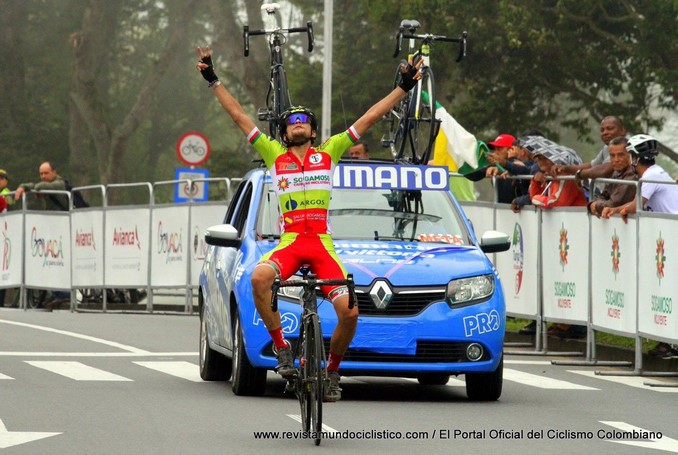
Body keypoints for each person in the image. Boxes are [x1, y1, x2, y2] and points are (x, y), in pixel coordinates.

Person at [196, 45, 422, 402]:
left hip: (320, 245)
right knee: (259, 278)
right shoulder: (274, 154)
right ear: (284, 134)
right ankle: (282, 348)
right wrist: (213, 79)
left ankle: (332, 371)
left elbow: (369, 118)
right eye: (291, 121)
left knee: (349, 311)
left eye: (304, 120)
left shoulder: (329, 152)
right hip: (290, 243)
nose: (297, 122)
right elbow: (238, 116)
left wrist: (403, 88)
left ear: (313, 131)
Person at [600, 134, 678, 358]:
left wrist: (616, 210)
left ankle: (671, 343)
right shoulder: (656, 172)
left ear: (635, 159)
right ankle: (667, 342)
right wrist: (623, 209)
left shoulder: (651, 176)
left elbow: (636, 205)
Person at [14, 162, 70, 308]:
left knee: (61, 260)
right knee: (52, 260)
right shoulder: (46, 184)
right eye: (41, 174)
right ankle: (56, 293)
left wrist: (35, 188)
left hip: (65, 228)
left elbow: (41, 186)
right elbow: (33, 185)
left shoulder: (60, 184)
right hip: (53, 229)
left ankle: (65, 294)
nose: (43, 176)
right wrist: (22, 187)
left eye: (46, 173)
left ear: (54, 172)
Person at [552, 116, 627, 192]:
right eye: (602, 130)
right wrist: (565, 168)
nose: (605, 133)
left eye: (610, 128)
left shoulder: (628, 146)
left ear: (622, 130)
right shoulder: (606, 148)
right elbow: (591, 166)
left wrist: (580, 174)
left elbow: (604, 170)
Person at [464, 133, 527, 203]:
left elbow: (517, 168)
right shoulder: (494, 165)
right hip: (500, 208)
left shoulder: (520, 163)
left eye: (499, 149)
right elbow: (472, 175)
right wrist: (462, 160)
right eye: (495, 149)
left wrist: (510, 160)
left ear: (512, 149)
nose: (495, 152)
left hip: (521, 208)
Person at [587, 136, 637, 217]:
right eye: (612, 155)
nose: (616, 159)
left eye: (620, 155)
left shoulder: (633, 174)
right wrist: (594, 203)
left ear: (630, 155)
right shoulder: (616, 172)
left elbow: (613, 204)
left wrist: (595, 205)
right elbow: (604, 195)